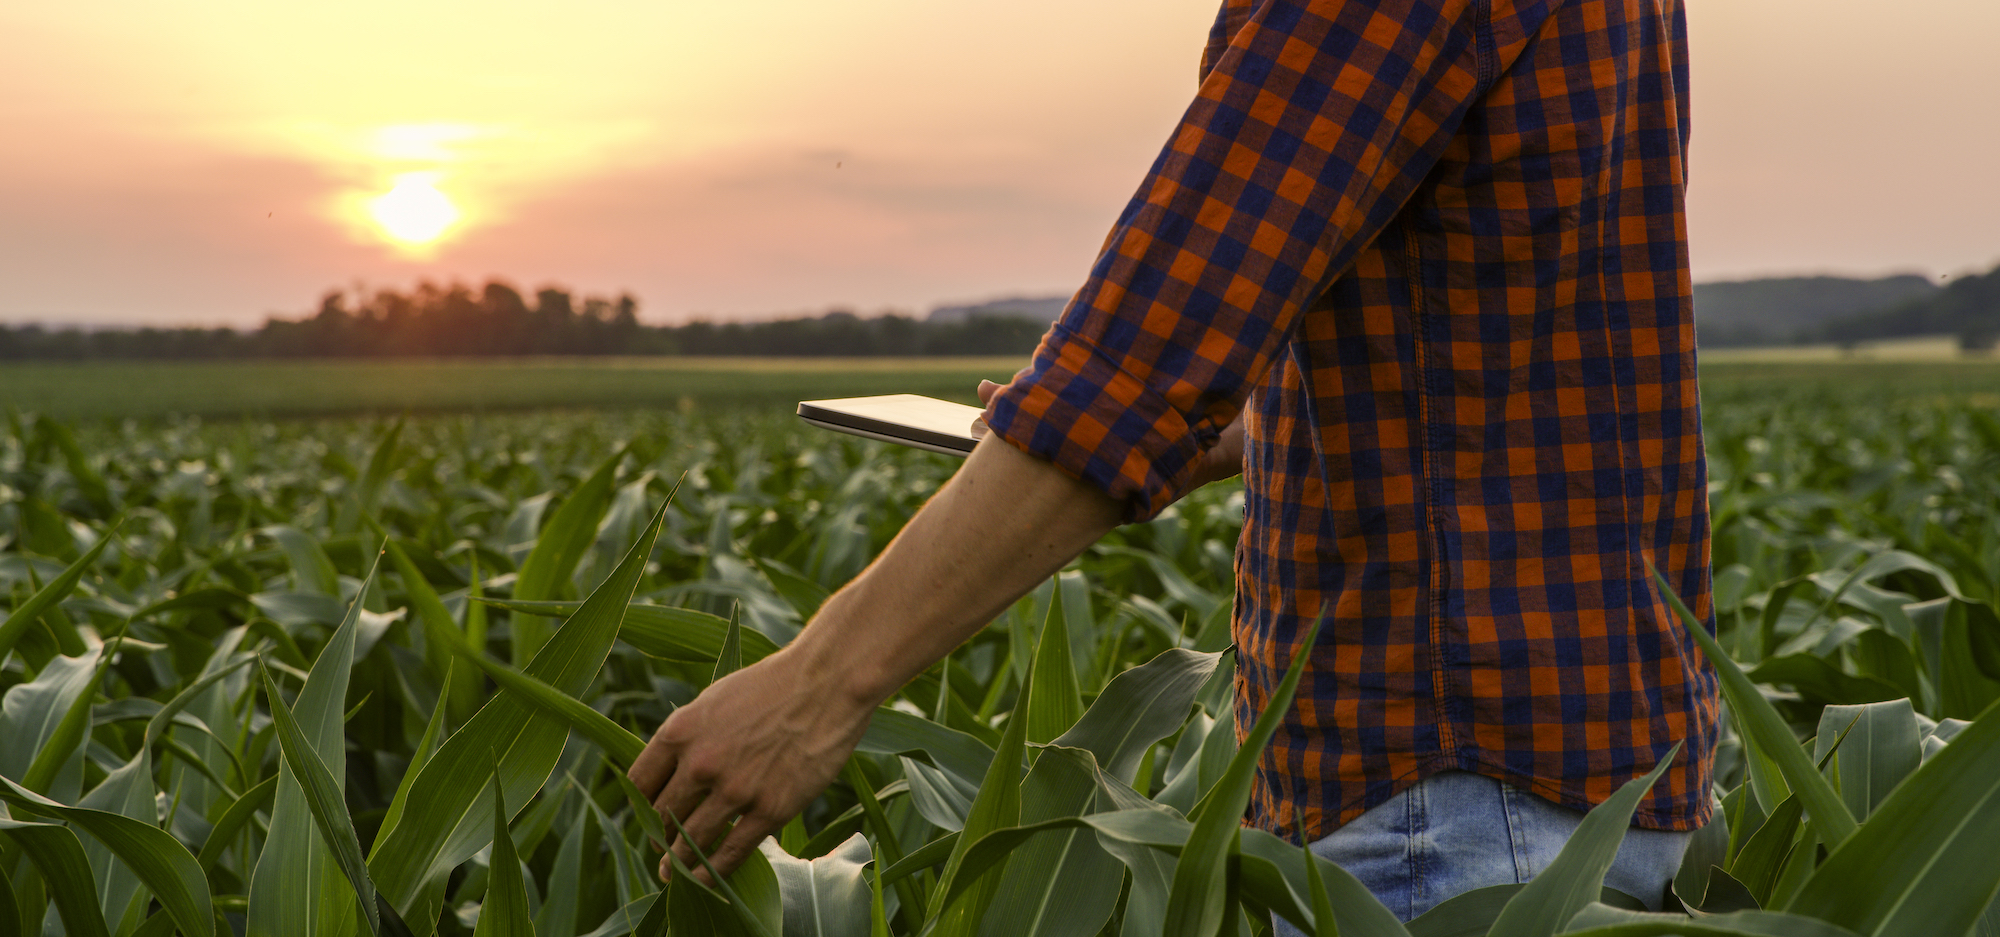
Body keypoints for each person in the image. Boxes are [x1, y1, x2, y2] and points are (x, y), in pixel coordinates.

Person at [629, 0, 1719, 923]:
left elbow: (1135, 366)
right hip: (1594, 772)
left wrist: (815, 686)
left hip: (1446, 806)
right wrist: (1258, 431)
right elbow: (1528, 325)